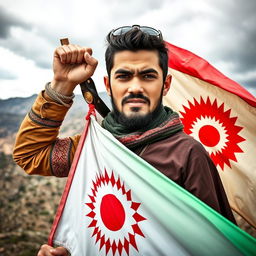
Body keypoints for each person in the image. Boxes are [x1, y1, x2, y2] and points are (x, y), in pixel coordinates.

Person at [13, 25, 236, 256]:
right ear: (108, 85)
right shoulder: (91, 147)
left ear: (165, 85)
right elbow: (31, 155)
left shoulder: (187, 155)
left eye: (148, 76)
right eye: (124, 76)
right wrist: (62, 83)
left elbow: (216, 247)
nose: (135, 87)